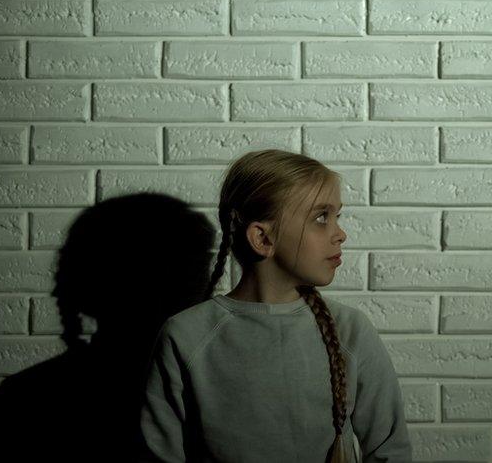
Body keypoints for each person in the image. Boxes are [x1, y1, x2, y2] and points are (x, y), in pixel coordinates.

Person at [138, 149, 413, 462]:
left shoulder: (351, 331)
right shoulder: (186, 337)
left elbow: (391, 452)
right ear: (262, 238)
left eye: (338, 216)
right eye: (321, 217)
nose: (340, 234)